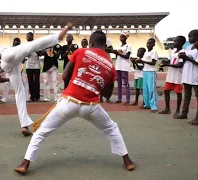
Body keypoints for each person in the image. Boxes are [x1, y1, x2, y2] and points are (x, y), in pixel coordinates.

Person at [14, 31, 135, 175]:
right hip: (91, 107)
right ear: (105, 44)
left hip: (68, 102)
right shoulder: (110, 66)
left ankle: (24, 164)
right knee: (112, 128)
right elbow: (107, 95)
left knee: (41, 132)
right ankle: (127, 161)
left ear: (91, 43)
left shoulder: (81, 52)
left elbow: (65, 75)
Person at [0, 23, 74, 136]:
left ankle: (24, 125)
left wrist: (7, 79)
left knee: (19, 92)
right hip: (7, 55)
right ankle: (59, 35)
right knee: (33, 45)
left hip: (8, 65)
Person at [159, 36, 186, 117]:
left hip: (178, 77)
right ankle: (167, 108)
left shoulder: (182, 52)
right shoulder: (173, 52)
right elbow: (169, 61)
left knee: (178, 93)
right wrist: (165, 62)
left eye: (175, 42)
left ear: (180, 43)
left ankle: (177, 110)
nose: (174, 43)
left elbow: (180, 65)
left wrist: (168, 64)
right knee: (166, 91)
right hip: (170, 76)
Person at [175, 30, 198, 125]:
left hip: (196, 77)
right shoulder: (188, 47)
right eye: (189, 36)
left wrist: (187, 58)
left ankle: (197, 117)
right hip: (187, 75)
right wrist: (182, 57)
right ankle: (184, 113)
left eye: (191, 36)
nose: (189, 38)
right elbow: (182, 59)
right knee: (187, 95)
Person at [0, 38, 30, 103]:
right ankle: (3, 99)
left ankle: (27, 98)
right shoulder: (9, 49)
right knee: (7, 83)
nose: (17, 45)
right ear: (13, 43)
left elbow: (23, 59)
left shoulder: (21, 50)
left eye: (18, 44)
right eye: (16, 43)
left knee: (24, 82)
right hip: (10, 69)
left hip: (19, 67)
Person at [138, 38, 159, 113]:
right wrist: (137, 61)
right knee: (145, 89)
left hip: (151, 72)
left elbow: (153, 63)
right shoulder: (146, 52)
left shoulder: (154, 52)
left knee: (151, 90)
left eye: (150, 43)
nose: (148, 44)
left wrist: (142, 61)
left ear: (153, 44)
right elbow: (144, 62)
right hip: (145, 71)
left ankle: (154, 106)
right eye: (147, 43)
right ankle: (147, 104)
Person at [113, 31, 132, 105]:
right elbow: (118, 56)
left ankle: (127, 100)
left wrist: (118, 53)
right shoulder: (119, 46)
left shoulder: (128, 46)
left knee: (126, 83)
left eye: (123, 36)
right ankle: (119, 98)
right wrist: (115, 53)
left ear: (126, 38)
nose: (121, 38)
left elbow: (127, 56)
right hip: (118, 66)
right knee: (119, 83)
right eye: (120, 36)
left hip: (124, 67)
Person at [25, 32, 42, 102]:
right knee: (30, 82)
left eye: (28, 36)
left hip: (37, 66)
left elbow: (41, 54)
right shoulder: (26, 45)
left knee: (37, 82)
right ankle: (32, 97)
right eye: (26, 36)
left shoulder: (37, 44)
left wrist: (34, 48)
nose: (27, 37)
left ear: (32, 37)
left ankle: (37, 97)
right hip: (28, 66)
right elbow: (24, 55)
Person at [100, 37, 114, 103]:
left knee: (109, 81)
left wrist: (104, 48)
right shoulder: (95, 40)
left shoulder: (107, 40)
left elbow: (111, 49)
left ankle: (108, 98)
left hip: (107, 62)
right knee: (99, 80)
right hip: (99, 61)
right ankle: (100, 97)